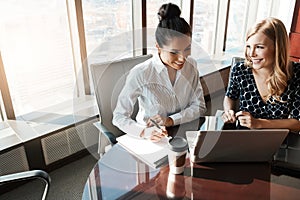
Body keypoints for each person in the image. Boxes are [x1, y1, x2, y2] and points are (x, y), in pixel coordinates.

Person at [113, 3, 206, 142]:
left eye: (187, 48)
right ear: (158, 46)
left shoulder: (191, 65)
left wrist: (170, 120)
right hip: (150, 138)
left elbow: (199, 106)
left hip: (182, 132)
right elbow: (119, 117)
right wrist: (144, 132)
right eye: (174, 52)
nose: (182, 58)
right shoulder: (141, 73)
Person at [222, 17, 300, 132]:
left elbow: (297, 123)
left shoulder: (297, 73)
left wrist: (259, 123)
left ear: (277, 48)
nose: (251, 54)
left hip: (279, 142)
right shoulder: (240, 70)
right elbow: (230, 97)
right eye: (249, 46)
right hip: (243, 138)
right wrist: (229, 111)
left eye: (259, 47)